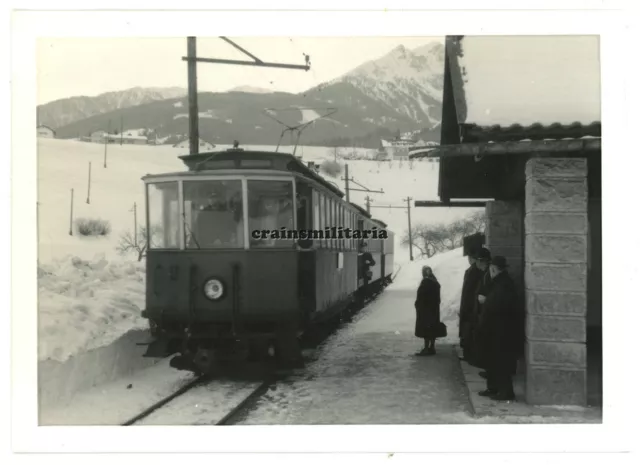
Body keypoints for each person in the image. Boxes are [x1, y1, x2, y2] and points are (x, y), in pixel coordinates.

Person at [475, 256, 522, 401]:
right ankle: (494, 388)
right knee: (494, 362)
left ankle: (506, 392)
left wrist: (485, 300)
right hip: (495, 329)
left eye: (491, 269)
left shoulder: (504, 284)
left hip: (501, 330)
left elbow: (500, 304)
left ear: (494, 269)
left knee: (501, 363)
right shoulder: (500, 282)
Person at [458, 248, 484, 363]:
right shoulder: (475, 271)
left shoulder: (472, 271)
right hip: (471, 305)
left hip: (469, 306)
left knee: (468, 331)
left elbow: (468, 291)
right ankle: (469, 354)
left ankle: (469, 355)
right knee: (468, 331)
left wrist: (464, 307)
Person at [469, 247, 492, 372]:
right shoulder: (484, 273)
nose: (476, 263)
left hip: (485, 314)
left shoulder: (488, 274)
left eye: (478, 260)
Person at [414, 266, 442, 356]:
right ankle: (432, 347)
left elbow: (421, 297)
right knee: (432, 328)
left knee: (425, 328)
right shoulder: (435, 282)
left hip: (425, 310)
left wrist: (418, 305)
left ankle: (426, 348)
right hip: (434, 309)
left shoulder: (425, 282)